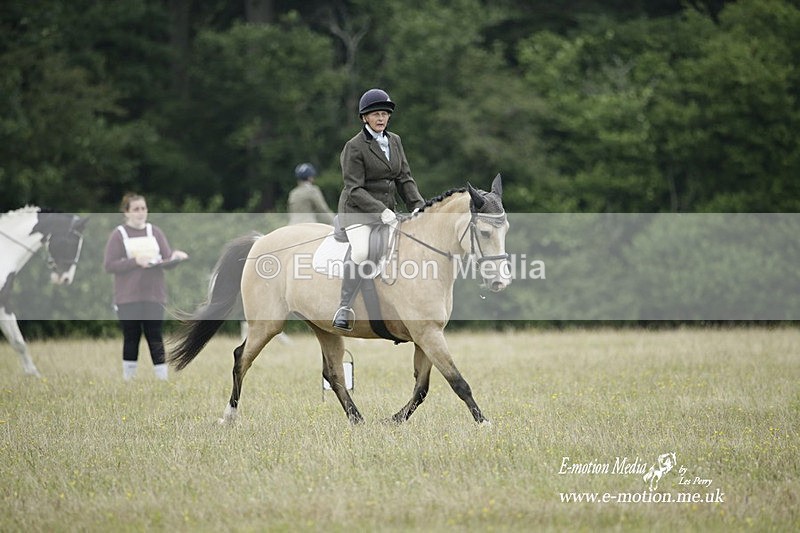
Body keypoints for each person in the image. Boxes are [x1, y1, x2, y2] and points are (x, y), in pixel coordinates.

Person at [332, 88, 425, 330]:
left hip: (389, 212)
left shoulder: (395, 141)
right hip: (358, 212)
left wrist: (419, 206)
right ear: (364, 118)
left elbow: (404, 178)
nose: (381, 118)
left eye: (384, 114)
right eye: (375, 114)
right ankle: (344, 307)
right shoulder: (354, 147)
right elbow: (354, 189)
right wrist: (381, 212)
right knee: (362, 251)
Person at [103, 193, 188, 381]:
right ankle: (129, 379)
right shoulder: (119, 235)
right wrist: (135, 262)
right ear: (126, 212)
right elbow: (109, 265)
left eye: (143, 208)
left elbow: (165, 260)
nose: (141, 212)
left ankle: (162, 378)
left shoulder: (155, 232)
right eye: (136, 209)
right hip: (128, 297)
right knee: (131, 336)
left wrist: (176, 258)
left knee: (155, 335)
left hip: (154, 295)